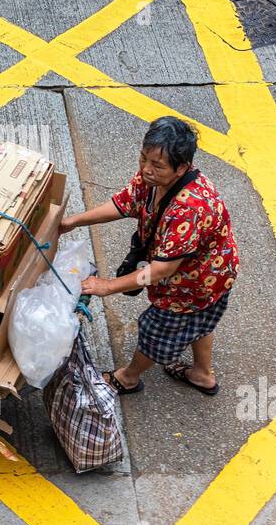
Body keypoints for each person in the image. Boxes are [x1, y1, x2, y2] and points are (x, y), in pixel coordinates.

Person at [58, 117, 238, 396]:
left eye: (157, 165)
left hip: (195, 285)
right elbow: (125, 202)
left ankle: (128, 378)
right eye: (144, 158)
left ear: (182, 168)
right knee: (200, 322)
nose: (145, 169)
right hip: (211, 275)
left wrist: (107, 286)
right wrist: (74, 221)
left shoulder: (189, 208)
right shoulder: (153, 177)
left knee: (157, 332)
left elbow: (160, 271)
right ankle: (203, 374)